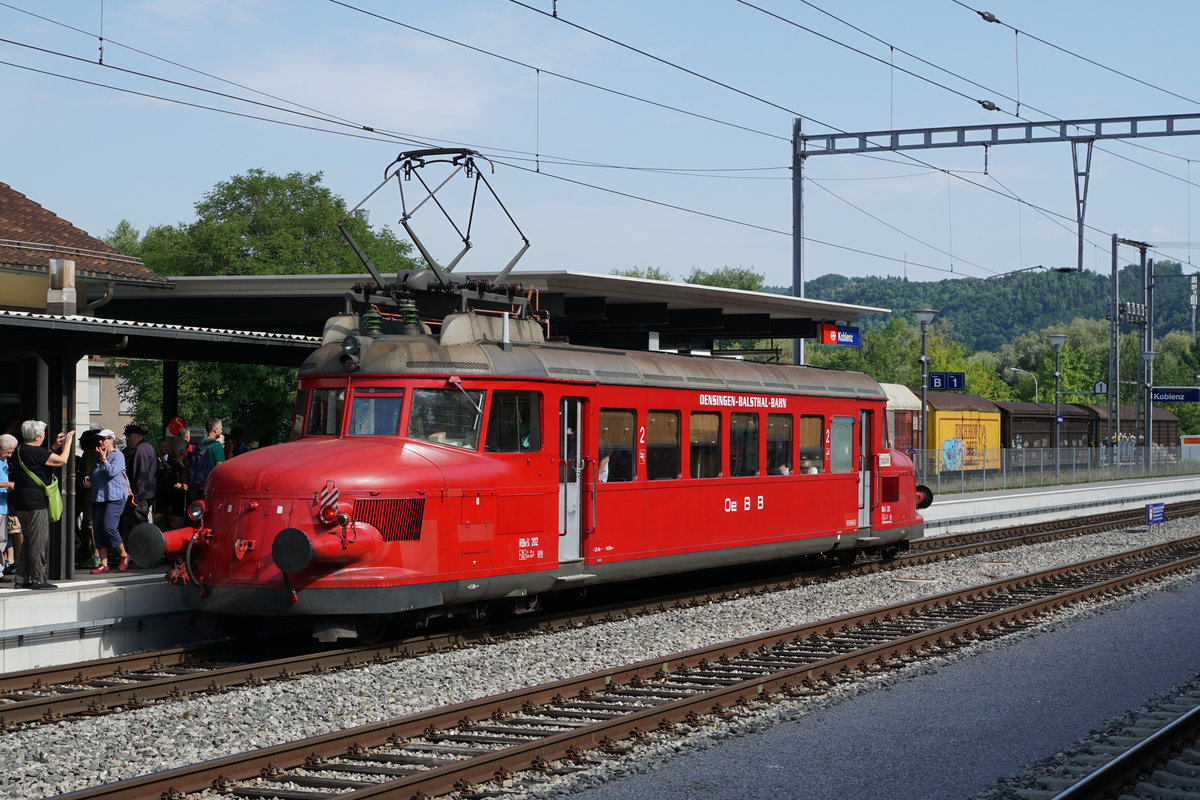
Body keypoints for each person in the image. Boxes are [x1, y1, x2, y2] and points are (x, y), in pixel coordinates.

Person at [10, 420, 74, 590]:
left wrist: (53, 446)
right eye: (43, 433)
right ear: (37, 436)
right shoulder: (36, 451)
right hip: (35, 502)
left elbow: (40, 458)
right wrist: (67, 443)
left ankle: (21, 578)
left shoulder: (19, 450)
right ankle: (38, 579)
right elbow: (62, 460)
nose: (44, 435)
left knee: (29, 540)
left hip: (20, 500)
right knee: (38, 540)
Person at [84, 429, 131, 574]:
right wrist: (89, 481)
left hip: (115, 497)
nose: (100, 442)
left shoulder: (118, 456)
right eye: (99, 439)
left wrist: (104, 459)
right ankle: (103, 563)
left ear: (111, 440)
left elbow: (111, 472)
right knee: (97, 529)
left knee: (108, 526)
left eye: (103, 439)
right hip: (100, 497)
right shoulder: (99, 457)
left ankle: (123, 554)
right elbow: (98, 475)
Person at [121, 424, 157, 537]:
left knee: (139, 525)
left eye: (129, 436)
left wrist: (136, 496)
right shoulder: (145, 448)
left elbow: (141, 474)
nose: (127, 438)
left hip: (141, 496)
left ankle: (144, 550)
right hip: (144, 494)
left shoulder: (141, 450)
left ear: (138, 436)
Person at [155, 436, 190, 531]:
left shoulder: (182, 462)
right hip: (173, 503)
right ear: (181, 451)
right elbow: (169, 481)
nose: (188, 451)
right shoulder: (171, 464)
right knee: (175, 527)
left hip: (179, 502)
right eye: (186, 449)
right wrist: (180, 486)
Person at [190, 417, 225, 501]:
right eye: (221, 428)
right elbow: (220, 468)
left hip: (198, 486)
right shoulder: (217, 446)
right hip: (211, 488)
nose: (221, 430)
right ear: (215, 430)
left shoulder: (200, 445)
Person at [0, 434, 15, 581]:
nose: (10, 455)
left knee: (2, 540)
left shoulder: (4, 460)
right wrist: (8, 484)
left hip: (3, 505)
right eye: (8, 451)